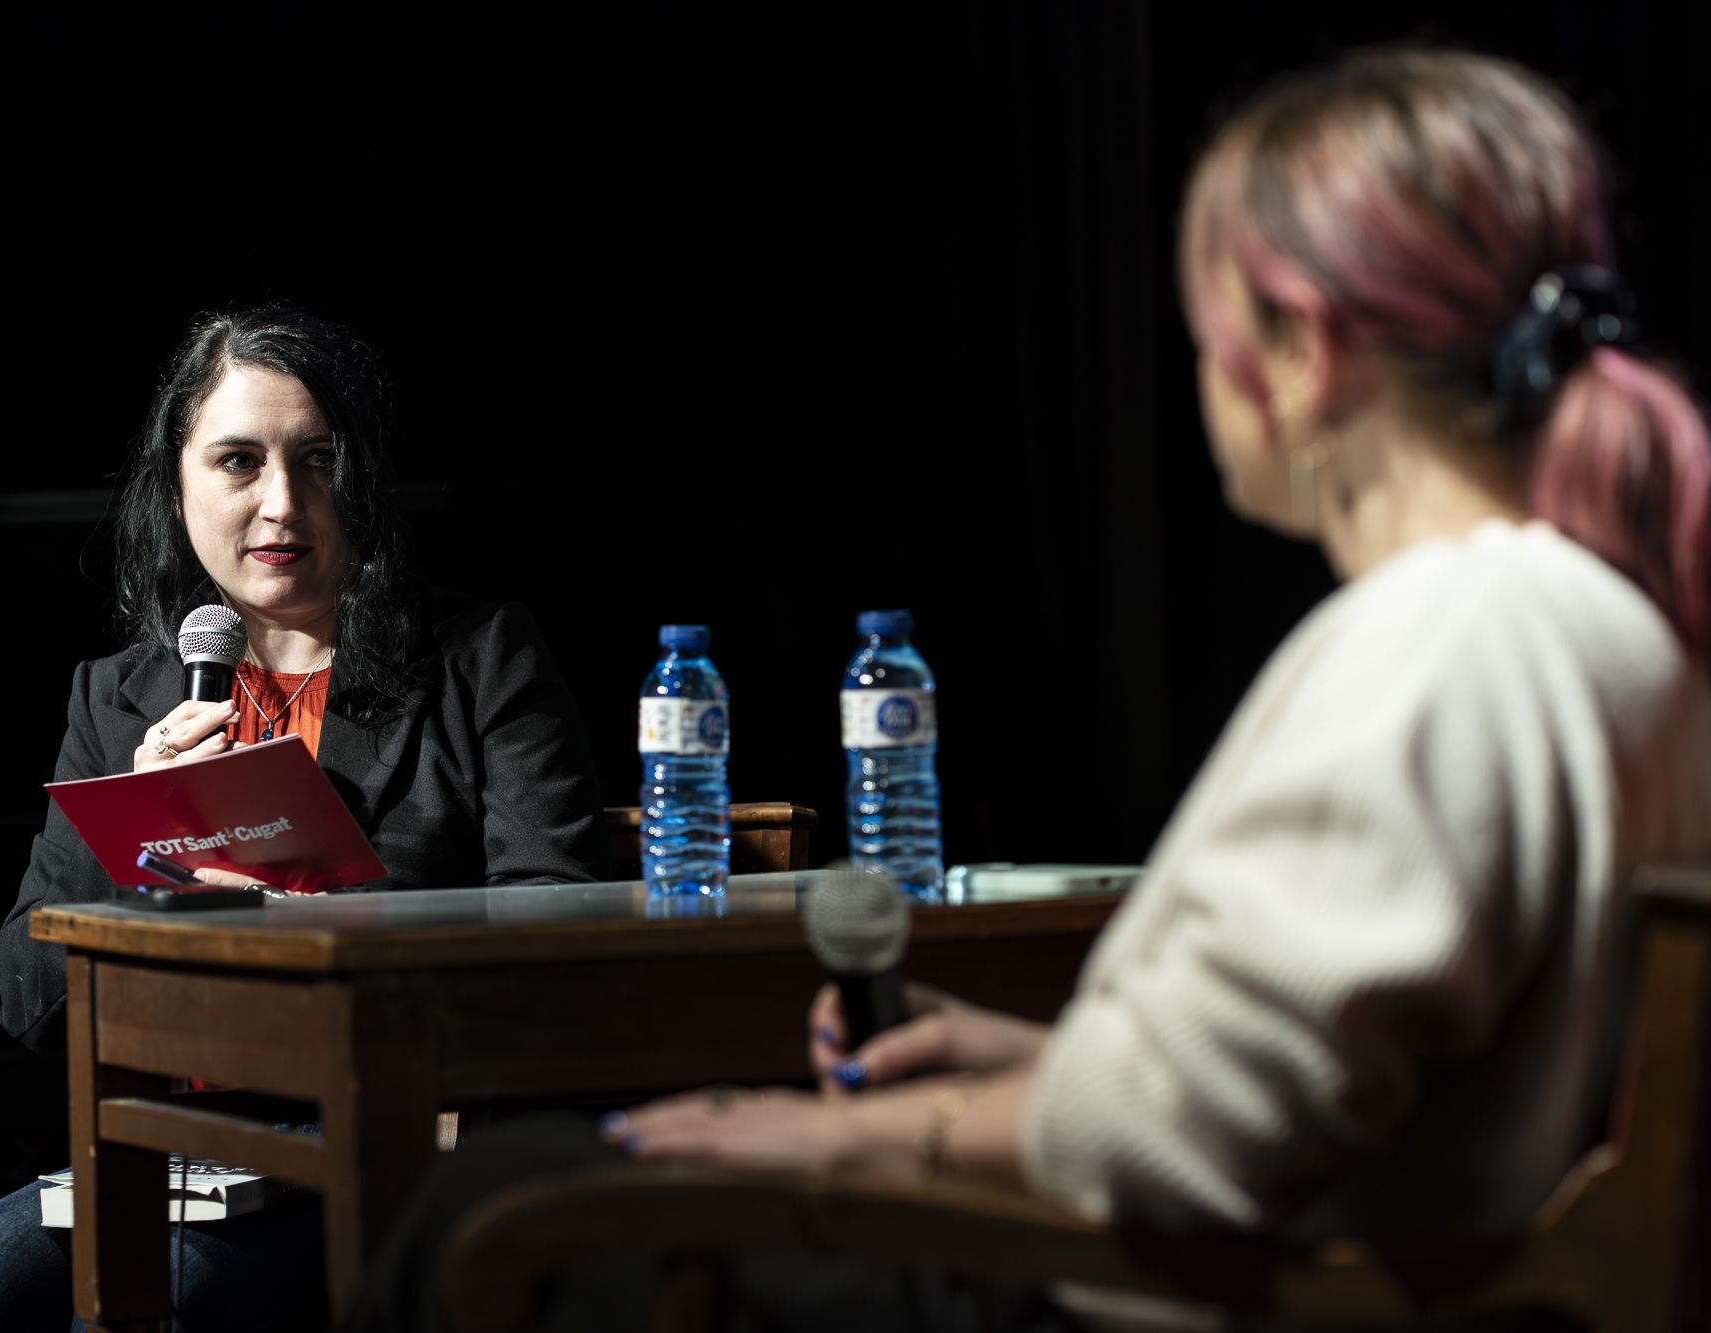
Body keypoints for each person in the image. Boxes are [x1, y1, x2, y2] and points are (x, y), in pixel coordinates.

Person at [361, 45, 1711, 1332]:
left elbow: (1179, 1147)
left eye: (1204, 330)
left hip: (1130, 1294)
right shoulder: (1609, 625)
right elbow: (1326, 1097)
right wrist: (1033, 1065)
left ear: (1298, 349)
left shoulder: (1447, 642)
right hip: (1297, 1258)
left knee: (500, 1200)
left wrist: (838, 1142)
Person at [0, 306, 614, 1333]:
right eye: (238, 460)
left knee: (178, 1297)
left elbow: (557, 919)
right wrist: (136, 862)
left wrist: (318, 907)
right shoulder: (120, 697)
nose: (283, 504)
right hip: (175, 1141)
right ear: (178, 482)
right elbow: (26, 993)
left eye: (319, 461)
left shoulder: (478, 660)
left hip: (394, 1134)